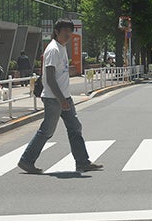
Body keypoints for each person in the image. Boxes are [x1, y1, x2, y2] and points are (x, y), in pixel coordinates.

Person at [18, 19, 103, 174]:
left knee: (75, 127)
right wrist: (61, 99)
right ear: (56, 32)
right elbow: (49, 77)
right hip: (54, 98)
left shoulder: (61, 47)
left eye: (70, 32)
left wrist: (65, 98)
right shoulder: (53, 50)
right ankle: (26, 160)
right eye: (65, 32)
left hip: (63, 97)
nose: (68, 35)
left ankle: (82, 162)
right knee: (47, 131)